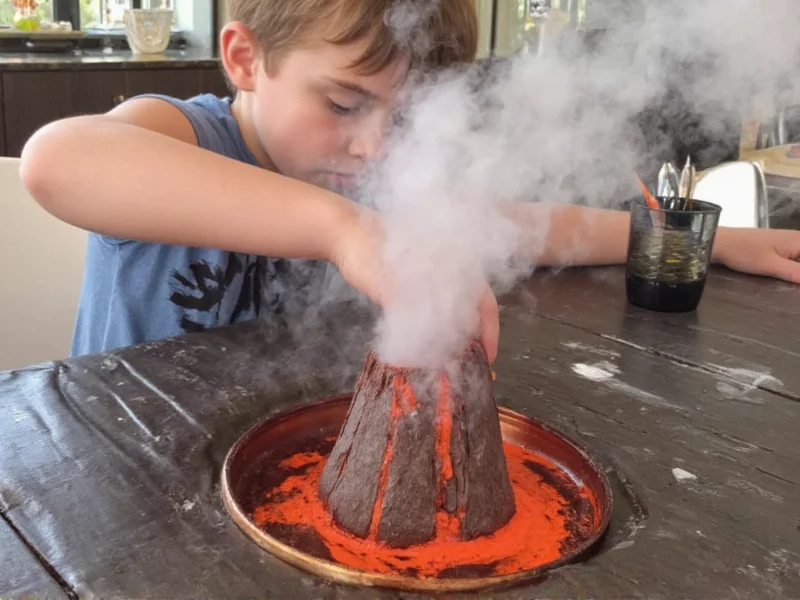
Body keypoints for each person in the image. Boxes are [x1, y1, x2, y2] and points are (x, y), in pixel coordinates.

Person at [18, 0, 800, 365]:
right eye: (345, 103)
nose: (375, 147)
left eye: (409, 115)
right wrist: (344, 229)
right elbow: (59, 160)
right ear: (246, 58)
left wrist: (717, 239)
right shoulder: (187, 134)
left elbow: (532, 224)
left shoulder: (384, 175)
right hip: (130, 477)